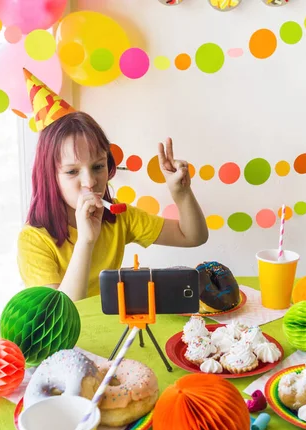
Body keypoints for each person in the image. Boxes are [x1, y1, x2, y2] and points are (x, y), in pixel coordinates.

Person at [18, 69, 209, 301]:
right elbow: (60, 313)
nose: (90, 182)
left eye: (98, 167)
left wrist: (181, 193)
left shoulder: (120, 217)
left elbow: (193, 236)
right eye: (71, 171)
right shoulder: (34, 240)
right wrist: (86, 241)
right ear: (49, 176)